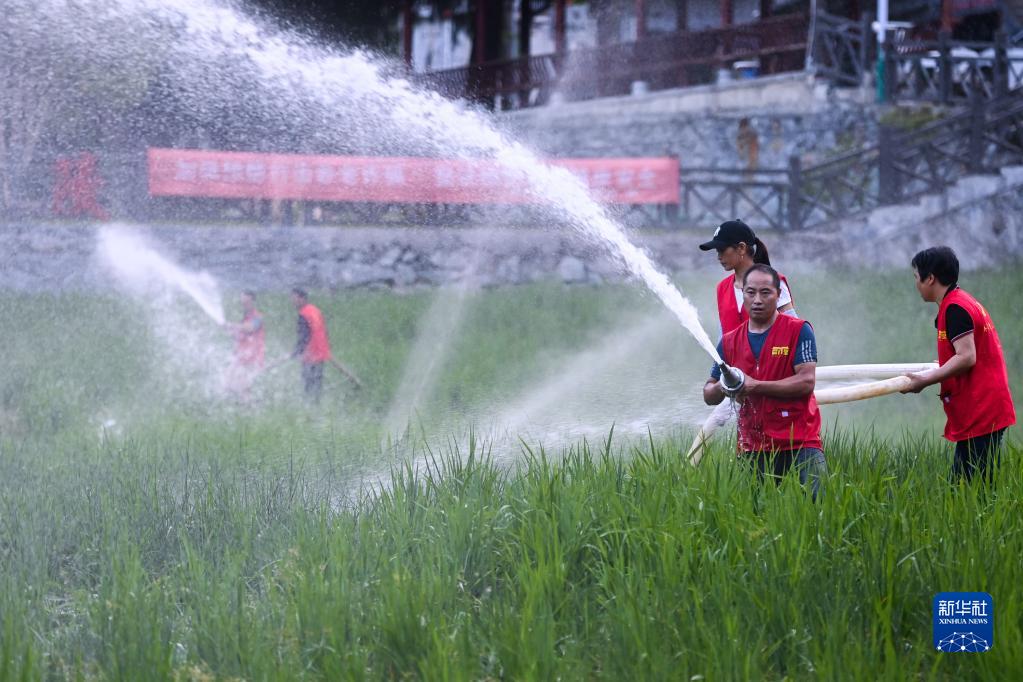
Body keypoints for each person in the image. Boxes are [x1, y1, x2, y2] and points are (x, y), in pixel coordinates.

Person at [703, 264, 826, 499]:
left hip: (800, 441)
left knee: (820, 509)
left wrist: (755, 385)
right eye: (750, 293)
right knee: (750, 518)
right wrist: (724, 386)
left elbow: (806, 382)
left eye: (765, 292)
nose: (757, 300)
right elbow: (709, 393)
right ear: (743, 296)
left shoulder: (799, 330)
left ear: (779, 295)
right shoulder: (729, 342)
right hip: (753, 446)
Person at [900, 246, 1015, 483]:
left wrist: (924, 380)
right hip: (981, 409)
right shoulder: (959, 301)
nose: (916, 284)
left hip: (982, 409)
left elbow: (967, 357)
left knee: (973, 488)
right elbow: (963, 353)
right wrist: (941, 365)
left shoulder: (955, 308)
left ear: (930, 278)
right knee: (964, 487)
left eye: (916, 277)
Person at [291, 288, 332, 402]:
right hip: (321, 352)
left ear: (302, 298)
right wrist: (326, 349)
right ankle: (316, 406)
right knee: (317, 384)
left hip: (311, 354)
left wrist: (296, 351)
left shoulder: (303, 314)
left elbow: (304, 336)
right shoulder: (315, 310)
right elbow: (324, 330)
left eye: (294, 298)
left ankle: (308, 408)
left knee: (308, 384)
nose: (292, 301)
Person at [223, 290, 265, 398]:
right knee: (228, 381)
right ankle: (235, 406)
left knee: (243, 385)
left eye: (246, 300)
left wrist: (232, 325)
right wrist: (231, 331)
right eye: (242, 300)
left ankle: (249, 407)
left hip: (251, 357)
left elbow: (250, 328)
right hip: (242, 356)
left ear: (252, 301)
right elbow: (241, 335)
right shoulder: (245, 318)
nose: (243, 303)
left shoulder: (258, 317)